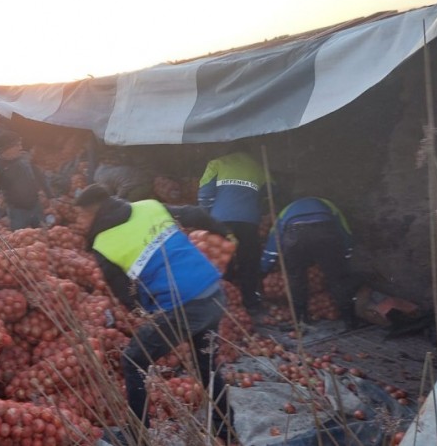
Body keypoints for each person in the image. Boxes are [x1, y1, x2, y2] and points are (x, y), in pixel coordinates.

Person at [74, 184, 233, 443]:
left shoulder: (103, 243)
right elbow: (195, 214)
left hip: (182, 306)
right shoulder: (149, 206)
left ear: (93, 212)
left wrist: (148, 313)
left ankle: (137, 434)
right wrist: (225, 234)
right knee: (207, 367)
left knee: (134, 359)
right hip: (212, 291)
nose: (79, 222)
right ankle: (226, 430)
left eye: (81, 215)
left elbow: (126, 293)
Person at [260, 196, 356, 327]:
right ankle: (349, 319)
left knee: (296, 278)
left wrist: (264, 267)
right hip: (324, 232)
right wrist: (346, 256)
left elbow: (274, 240)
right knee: (336, 277)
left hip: (295, 235)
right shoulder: (327, 204)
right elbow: (344, 230)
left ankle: (301, 319)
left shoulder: (286, 211)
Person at [198, 141, 269, 310]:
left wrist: (206, 217)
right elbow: (270, 193)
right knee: (248, 261)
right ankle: (250, 302)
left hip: (220, 220)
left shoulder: (217, 163)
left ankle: (224, 302)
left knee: (223, 259)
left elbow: (205, 193)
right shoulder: (258, 167)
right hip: (249, 221)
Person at [0, 134, 53, 230]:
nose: (21, 148)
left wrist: (50, 196)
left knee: (43, 234)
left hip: (36, 207)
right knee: (20, 238)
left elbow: (40, 176)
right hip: (17, 213)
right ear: (7, 148)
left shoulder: (25, 158)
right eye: (17, 145)